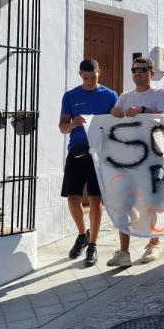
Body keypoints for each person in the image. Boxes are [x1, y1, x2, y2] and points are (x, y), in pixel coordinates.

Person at [105, 57, 164, 267]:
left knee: (150, 204)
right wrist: (113, 112)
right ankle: (124, 251)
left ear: (151, 73)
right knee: (123, 204)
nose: (138, 73)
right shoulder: (124, 97)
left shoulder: (160, 95)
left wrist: (144, 111)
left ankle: (154, 243)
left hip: (152, 159)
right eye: (134, 70)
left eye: (143, 70)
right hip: (127, 161)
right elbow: (113, 118)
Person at [58, 59, 119, 267]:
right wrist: (72, 123)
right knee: (73, 198)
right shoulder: (71, 96)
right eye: (86, 78)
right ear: (80, 75)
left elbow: (117, 124)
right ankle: (82, 234)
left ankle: (92, 245)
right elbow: (61, 127)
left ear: (99, 72)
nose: (90, 81)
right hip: (76, 152)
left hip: (100, 154)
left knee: (95, 200)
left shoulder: (110, 96)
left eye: (93, 77)